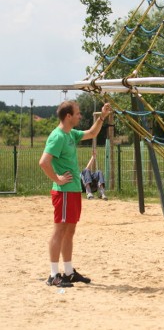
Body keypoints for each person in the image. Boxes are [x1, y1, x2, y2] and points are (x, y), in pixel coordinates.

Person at [39, 100, 112, 288]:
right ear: (68, 116)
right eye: (77, 113)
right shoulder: (57, 136)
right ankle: (53, 275)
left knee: (70, 231)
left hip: (72, 191)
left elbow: (93, 132)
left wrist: (102, 116)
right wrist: (57, 178)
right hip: (63, 192)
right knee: (59, 231)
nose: (80, 116)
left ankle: (69, 272)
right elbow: (43, 162)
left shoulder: (70, 134)